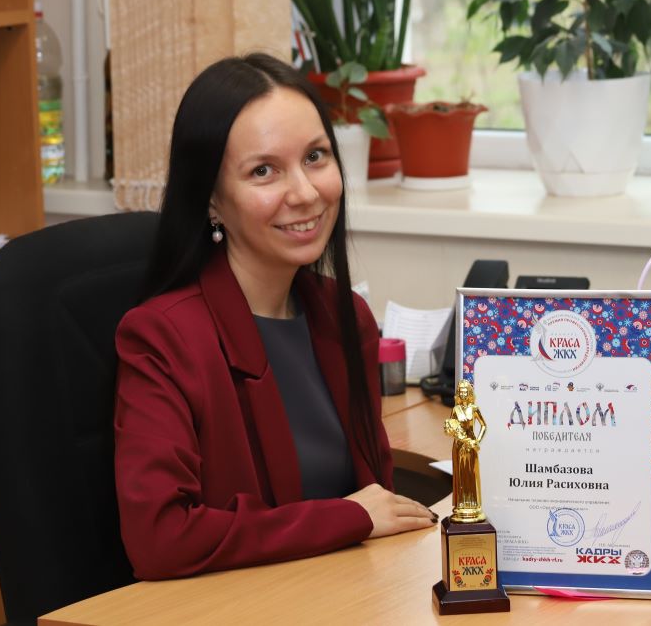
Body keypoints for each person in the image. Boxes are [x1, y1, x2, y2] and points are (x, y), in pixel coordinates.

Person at [113, 53, 436, 581]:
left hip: (339, 597)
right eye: (263, 170)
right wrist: (346, 518)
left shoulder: (344, 316)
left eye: (315, 157)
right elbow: (160, 538)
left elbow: (378, 498)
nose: (305, 193)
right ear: (212, 200)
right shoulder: (164, 338)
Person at [444, 380, 487, 523]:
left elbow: (483, 426)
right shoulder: (455, 409)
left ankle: (473, 504)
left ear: (469, 393)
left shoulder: (474, 409)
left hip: (471, 445)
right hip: (459, 445)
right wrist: (452, 432)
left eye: (465, 391)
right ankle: (461, 504)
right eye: (460, 391)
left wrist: (477, 441)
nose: (463, 394)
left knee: (471, 473)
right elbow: (450, 426)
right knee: (460, 474)